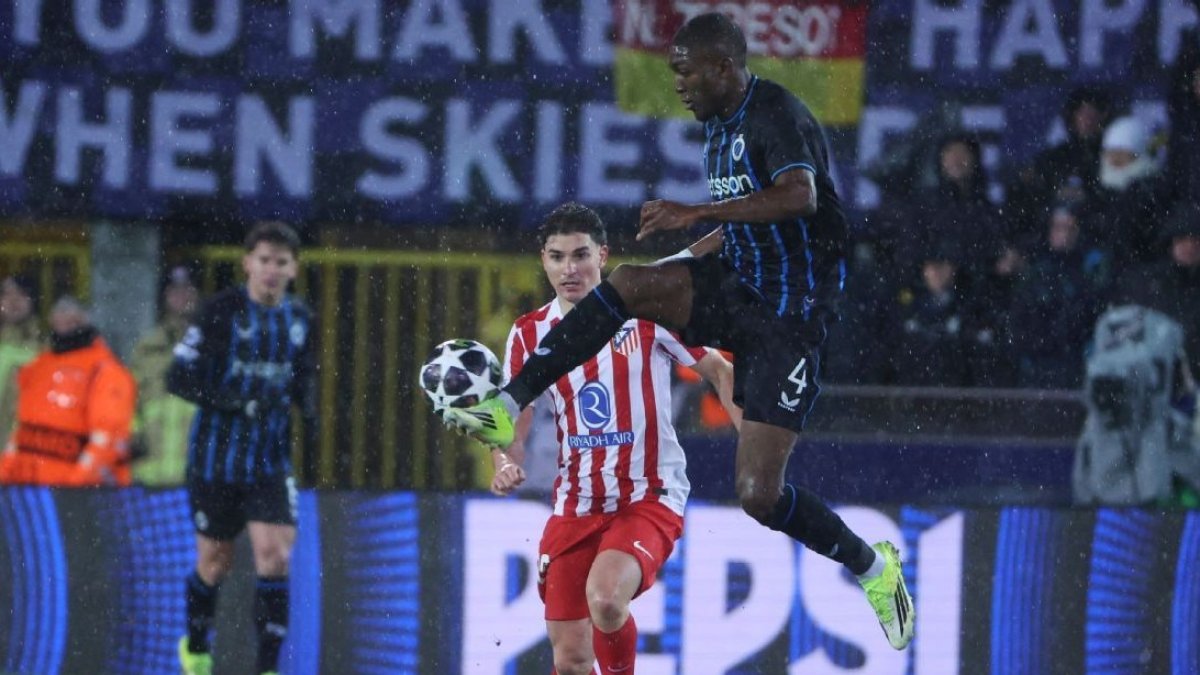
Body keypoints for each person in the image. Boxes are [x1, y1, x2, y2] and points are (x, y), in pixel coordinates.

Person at [446, 12, 915, 650]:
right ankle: (507, 400)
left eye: (686, 72)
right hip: (737, 286)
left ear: (723, 68)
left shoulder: (775, 113)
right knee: (634, 285)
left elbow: (798, 197)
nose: (679, 85)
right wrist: (694, 252)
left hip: (790, 318)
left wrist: (698, 210)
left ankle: (873, 566)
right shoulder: (716, 127)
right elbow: (749, 222)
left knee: (758, 494)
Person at [488, 202, 739, 675]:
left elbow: (718, 369)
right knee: (572, 657)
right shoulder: (528, 334)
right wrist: (503, 462)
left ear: (603, 255)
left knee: (605, 599)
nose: (570, 269)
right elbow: (513, 422)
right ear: (542, 260)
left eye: (580, 255)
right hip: (576, 504)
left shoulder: (645, 311)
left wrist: (754, 439)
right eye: (557, 257)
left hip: (648, 494)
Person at [168, 222, 317, 675]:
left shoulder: (300, 320)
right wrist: (234, 402)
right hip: (215, 460)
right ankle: (195, 645)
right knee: (215, 562)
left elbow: (302, 380)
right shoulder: (221, 311)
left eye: (282, 262)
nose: (272, 270)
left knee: (275, 555)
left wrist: (305, 409)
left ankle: (267, 667)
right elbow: (179, 377)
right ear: (247, 263)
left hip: (269, 462)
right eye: (265, 260)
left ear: (294, 269)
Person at [0, 297, 135, 487]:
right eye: (60, 311)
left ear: (85, 319)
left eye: (70, 312)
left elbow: (108, 442)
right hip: (31, 495)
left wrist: (72, 490)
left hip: (74, 500)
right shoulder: (39, 366)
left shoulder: (104, 370)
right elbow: (21, 435)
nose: (63, 318)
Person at [129, 266, 200, 485]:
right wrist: (133, 438)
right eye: (175, 291)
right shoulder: (146, 348)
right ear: (164, 297)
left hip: (196, 476)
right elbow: (129, 401)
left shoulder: (211, 347)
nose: (182, 297)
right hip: (149, 475)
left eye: (188, 289)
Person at [0, 275, 42, 440]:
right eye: (6, 294)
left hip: (25, 446)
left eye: (21, 294)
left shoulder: (45, 349)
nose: (13, 301)